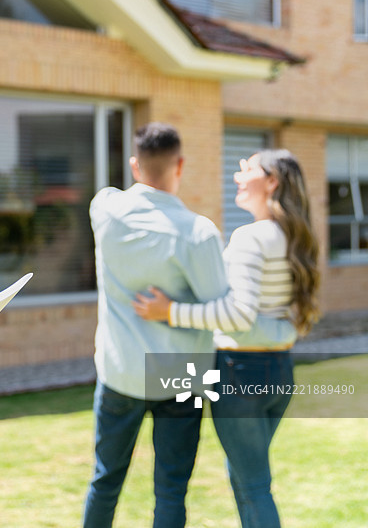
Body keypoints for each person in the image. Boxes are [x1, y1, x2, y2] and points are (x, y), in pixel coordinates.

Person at [134, 149, 319, 528]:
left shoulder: (251, 237)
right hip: (279, 370)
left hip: (241, 372)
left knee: (254, 484)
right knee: (246, 475)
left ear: (271, 182)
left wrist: (169, 311)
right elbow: (293, 318)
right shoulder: (295, 236)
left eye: (247, 168)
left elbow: (237, 315)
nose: (237, 174)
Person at [83, 122, 231, 528]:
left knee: (105, 480)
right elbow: (225, 310)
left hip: (121, 366)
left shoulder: (105, 209)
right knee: (171, 488)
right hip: (180, 372)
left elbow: (110, 197)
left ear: (134, 165)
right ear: (180, 164)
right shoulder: (199, 234)